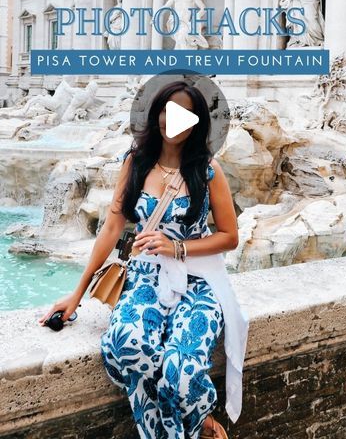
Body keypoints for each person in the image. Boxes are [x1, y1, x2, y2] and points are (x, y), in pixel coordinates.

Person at [38, 80, 249, 439]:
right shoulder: (135, 162)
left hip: (198, 281)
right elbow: (110, 229)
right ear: (156, 114)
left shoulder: (208, 171)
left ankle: (197, 416)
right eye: (165, 111)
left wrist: (177, 247)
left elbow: (230, 236)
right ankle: (193, 424)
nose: (171, 121)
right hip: (146, 278)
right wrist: (77, 294)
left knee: (180, 370)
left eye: (182, 114)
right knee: (125, 343)